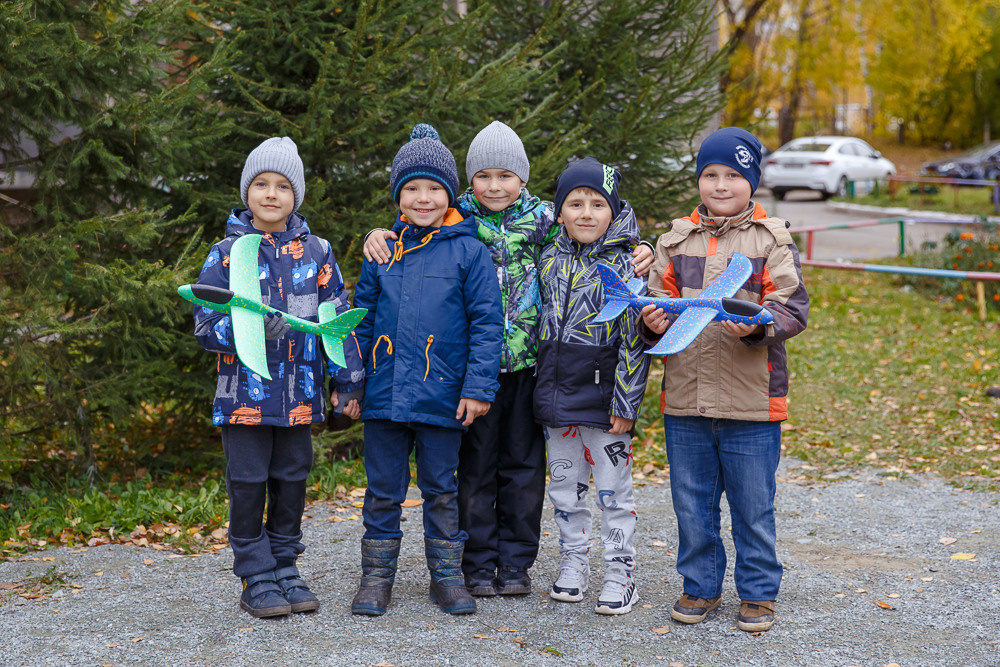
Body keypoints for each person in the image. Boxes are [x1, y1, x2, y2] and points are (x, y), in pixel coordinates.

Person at [362, 121, 654, 597]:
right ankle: (476, 564)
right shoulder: (456, 218)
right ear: (468, 182)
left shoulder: (544, 219)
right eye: (483, 176)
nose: (494, 186)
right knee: (474, 469)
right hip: (468, 373)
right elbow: (413, 219)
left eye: (505, 176)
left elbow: (596, 227)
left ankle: (517, 564)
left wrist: (643, 244)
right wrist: (380, 229)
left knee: (523, 466)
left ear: (523, 177)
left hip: (530, 366)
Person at [638, 127, 809, 632]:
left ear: (751, 181)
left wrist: (759, 326)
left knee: (753, 506)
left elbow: (791, 306)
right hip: (687, 398)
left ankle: (758, 593)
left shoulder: (771, 239)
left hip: (752, 402)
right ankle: (700, 586)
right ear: (698, 180)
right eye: (710, 174)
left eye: (733, 175)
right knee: (691, 503)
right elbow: (655, 300)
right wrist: (653, 321)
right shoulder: (673, 240)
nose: (720, 184)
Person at [192, 136, 365, 618]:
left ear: (297, 195)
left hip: (298, 395)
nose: (272, 194)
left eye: (283, 186)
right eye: (262, 184)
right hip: (243, 397)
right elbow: (205, 326)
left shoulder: (318, 253)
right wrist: (247, 327)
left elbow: (338, 319)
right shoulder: (227, 253)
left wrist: (348, 383)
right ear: (247, 192)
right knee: (247, 481)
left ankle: (285, 565)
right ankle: (254, 572)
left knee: (292, 478)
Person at [350, 124, 503, 617]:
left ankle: (446, 577)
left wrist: (478, 387)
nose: (422, 198)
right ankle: (376, 578)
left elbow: (487, 324)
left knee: (442, 488)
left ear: (449, 194)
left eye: (434, 188)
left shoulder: (470, 251)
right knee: (382, 491)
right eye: (411, 188)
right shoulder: (381, 250)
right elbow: (360, 321)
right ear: (398, 194)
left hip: (442, 395)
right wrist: (351, 383)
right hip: (384, 394)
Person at [534, 157, 651, 615]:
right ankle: (573, 562)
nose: (586, 213)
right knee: (566, 487)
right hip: (556, 392)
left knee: (612, 490)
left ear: (614, 210)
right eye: (575, 203)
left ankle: (622, 573)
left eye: (597, 204)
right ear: (559, 210)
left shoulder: (630, 263)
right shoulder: (548, 256)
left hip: (605, 398)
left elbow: (635, 341)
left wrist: (626, 400)